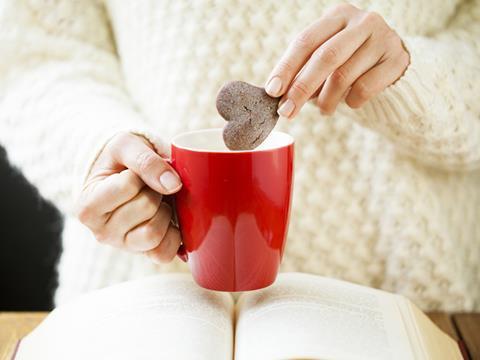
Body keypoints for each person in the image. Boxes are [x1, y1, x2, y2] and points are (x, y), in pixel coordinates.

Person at [0, 0, 478, 311]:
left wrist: (409, 74)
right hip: (143, 301)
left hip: (410, 299)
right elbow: (35, 58)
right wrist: (98, 146)